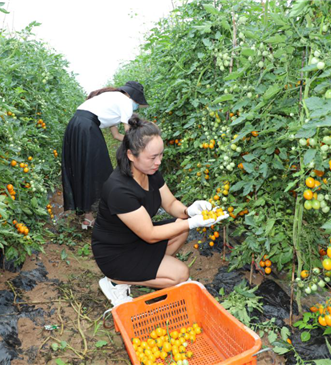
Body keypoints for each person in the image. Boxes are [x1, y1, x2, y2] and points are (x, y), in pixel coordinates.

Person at [91, 114, 229, 307]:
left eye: (161, 155)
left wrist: (190, 211)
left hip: (134, 241)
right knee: (181, 274)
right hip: (115, 253)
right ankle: (116, 281)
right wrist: (193, 222)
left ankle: (149, 269)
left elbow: (171, 204)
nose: (158, 161)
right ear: (131, 155)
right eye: (153, 157)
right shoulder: (119, 189)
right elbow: (150, 234)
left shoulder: (151, 171)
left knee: (181, 228)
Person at [61, 81, 149, 229]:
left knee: (85, 168)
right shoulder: (125, 101)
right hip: (86, 127)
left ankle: (88, 218)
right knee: (100, 169)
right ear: (133, 97)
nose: (136, 107)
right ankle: (111, 216)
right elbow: (128, 133)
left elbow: (117, 135)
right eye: (138, 104)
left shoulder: (112, 99)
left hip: (76, 126)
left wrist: (137, 145)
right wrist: (140, 150)